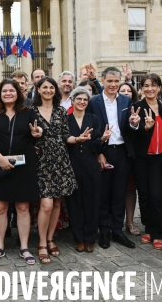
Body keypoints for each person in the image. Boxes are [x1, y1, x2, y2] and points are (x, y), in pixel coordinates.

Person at [0, 78, 43, 266]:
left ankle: (24, 247)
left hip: (23, 166)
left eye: (11, 90)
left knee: (22, 208)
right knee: (0, 208)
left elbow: (37, 133)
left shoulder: (29, 112)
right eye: (4, 91)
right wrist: (0, 159)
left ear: (18, 93)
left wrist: (37, 133)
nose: (8, 93)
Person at [88, 67, 136, 249]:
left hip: (122, 151)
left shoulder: (126, 100)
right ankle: (104, 232)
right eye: (110, 81)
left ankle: (117, 229)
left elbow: (131, 127)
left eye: (117, 81)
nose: (114, 85)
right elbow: (91, 128)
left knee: (119, 193)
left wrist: (133, 124)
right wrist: (99, 153)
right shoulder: (94, 101)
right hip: (103, 151)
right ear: (103, 81)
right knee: (103, 193)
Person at [31, 77, 77, 263]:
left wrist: (78, 139)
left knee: (57, 203)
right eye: (45, 87)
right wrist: (34, 138)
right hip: (41, 161)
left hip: (61, 160)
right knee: (46, 205)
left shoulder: (61, 110)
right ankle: (41, 243)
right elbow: (27, 136)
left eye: (51, 87)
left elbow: (66, 136)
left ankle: (51, 239)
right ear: (38, 90)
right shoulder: (31, 111)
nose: (48, 90)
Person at [129, 74, 162, 250]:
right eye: (146, 86)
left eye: (153, 85)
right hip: (143, 158)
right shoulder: (137, 107)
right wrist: (143, 127)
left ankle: (158, 232)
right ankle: (148, 228)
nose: (150, 89)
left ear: (159, 87)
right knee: (144, 195)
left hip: (160, 159)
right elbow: (132, 135)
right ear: (141, 88)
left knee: (157, 195)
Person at [65, 87, 104, 252]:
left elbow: (96, 145)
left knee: (92, 201)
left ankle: (89, 238)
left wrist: (102, 139)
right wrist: (76, 140)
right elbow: (63, 141)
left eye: (85, 100)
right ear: (72, 101)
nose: (82, 102)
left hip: (90, 163)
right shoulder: (66, 119)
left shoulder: (93, 119)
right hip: (72, 163)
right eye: (79, 99)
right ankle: (78, 238)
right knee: (74, 202)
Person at [118, 82, 140, 237]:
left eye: (128, 90)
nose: (126, 93)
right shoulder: (115, 107)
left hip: (134, 154)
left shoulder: (138, 108)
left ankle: (130, 222)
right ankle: (116, 221)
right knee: (118, 189)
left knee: (131, 189)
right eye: (122, 90)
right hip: (118, 153)